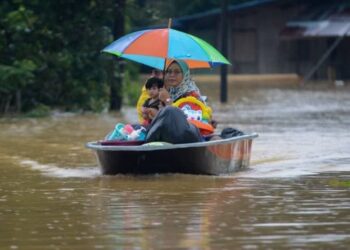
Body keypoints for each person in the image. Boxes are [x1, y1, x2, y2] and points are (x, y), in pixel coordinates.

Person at [145, 59, 215, 144]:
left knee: (170, 111)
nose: (172, 75)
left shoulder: (193, 95)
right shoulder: (164, 92)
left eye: (177, 72)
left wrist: (168, 101)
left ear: (185, 74)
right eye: (169, 72)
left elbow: (187, 121)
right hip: (168, 137)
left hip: (188, 137)